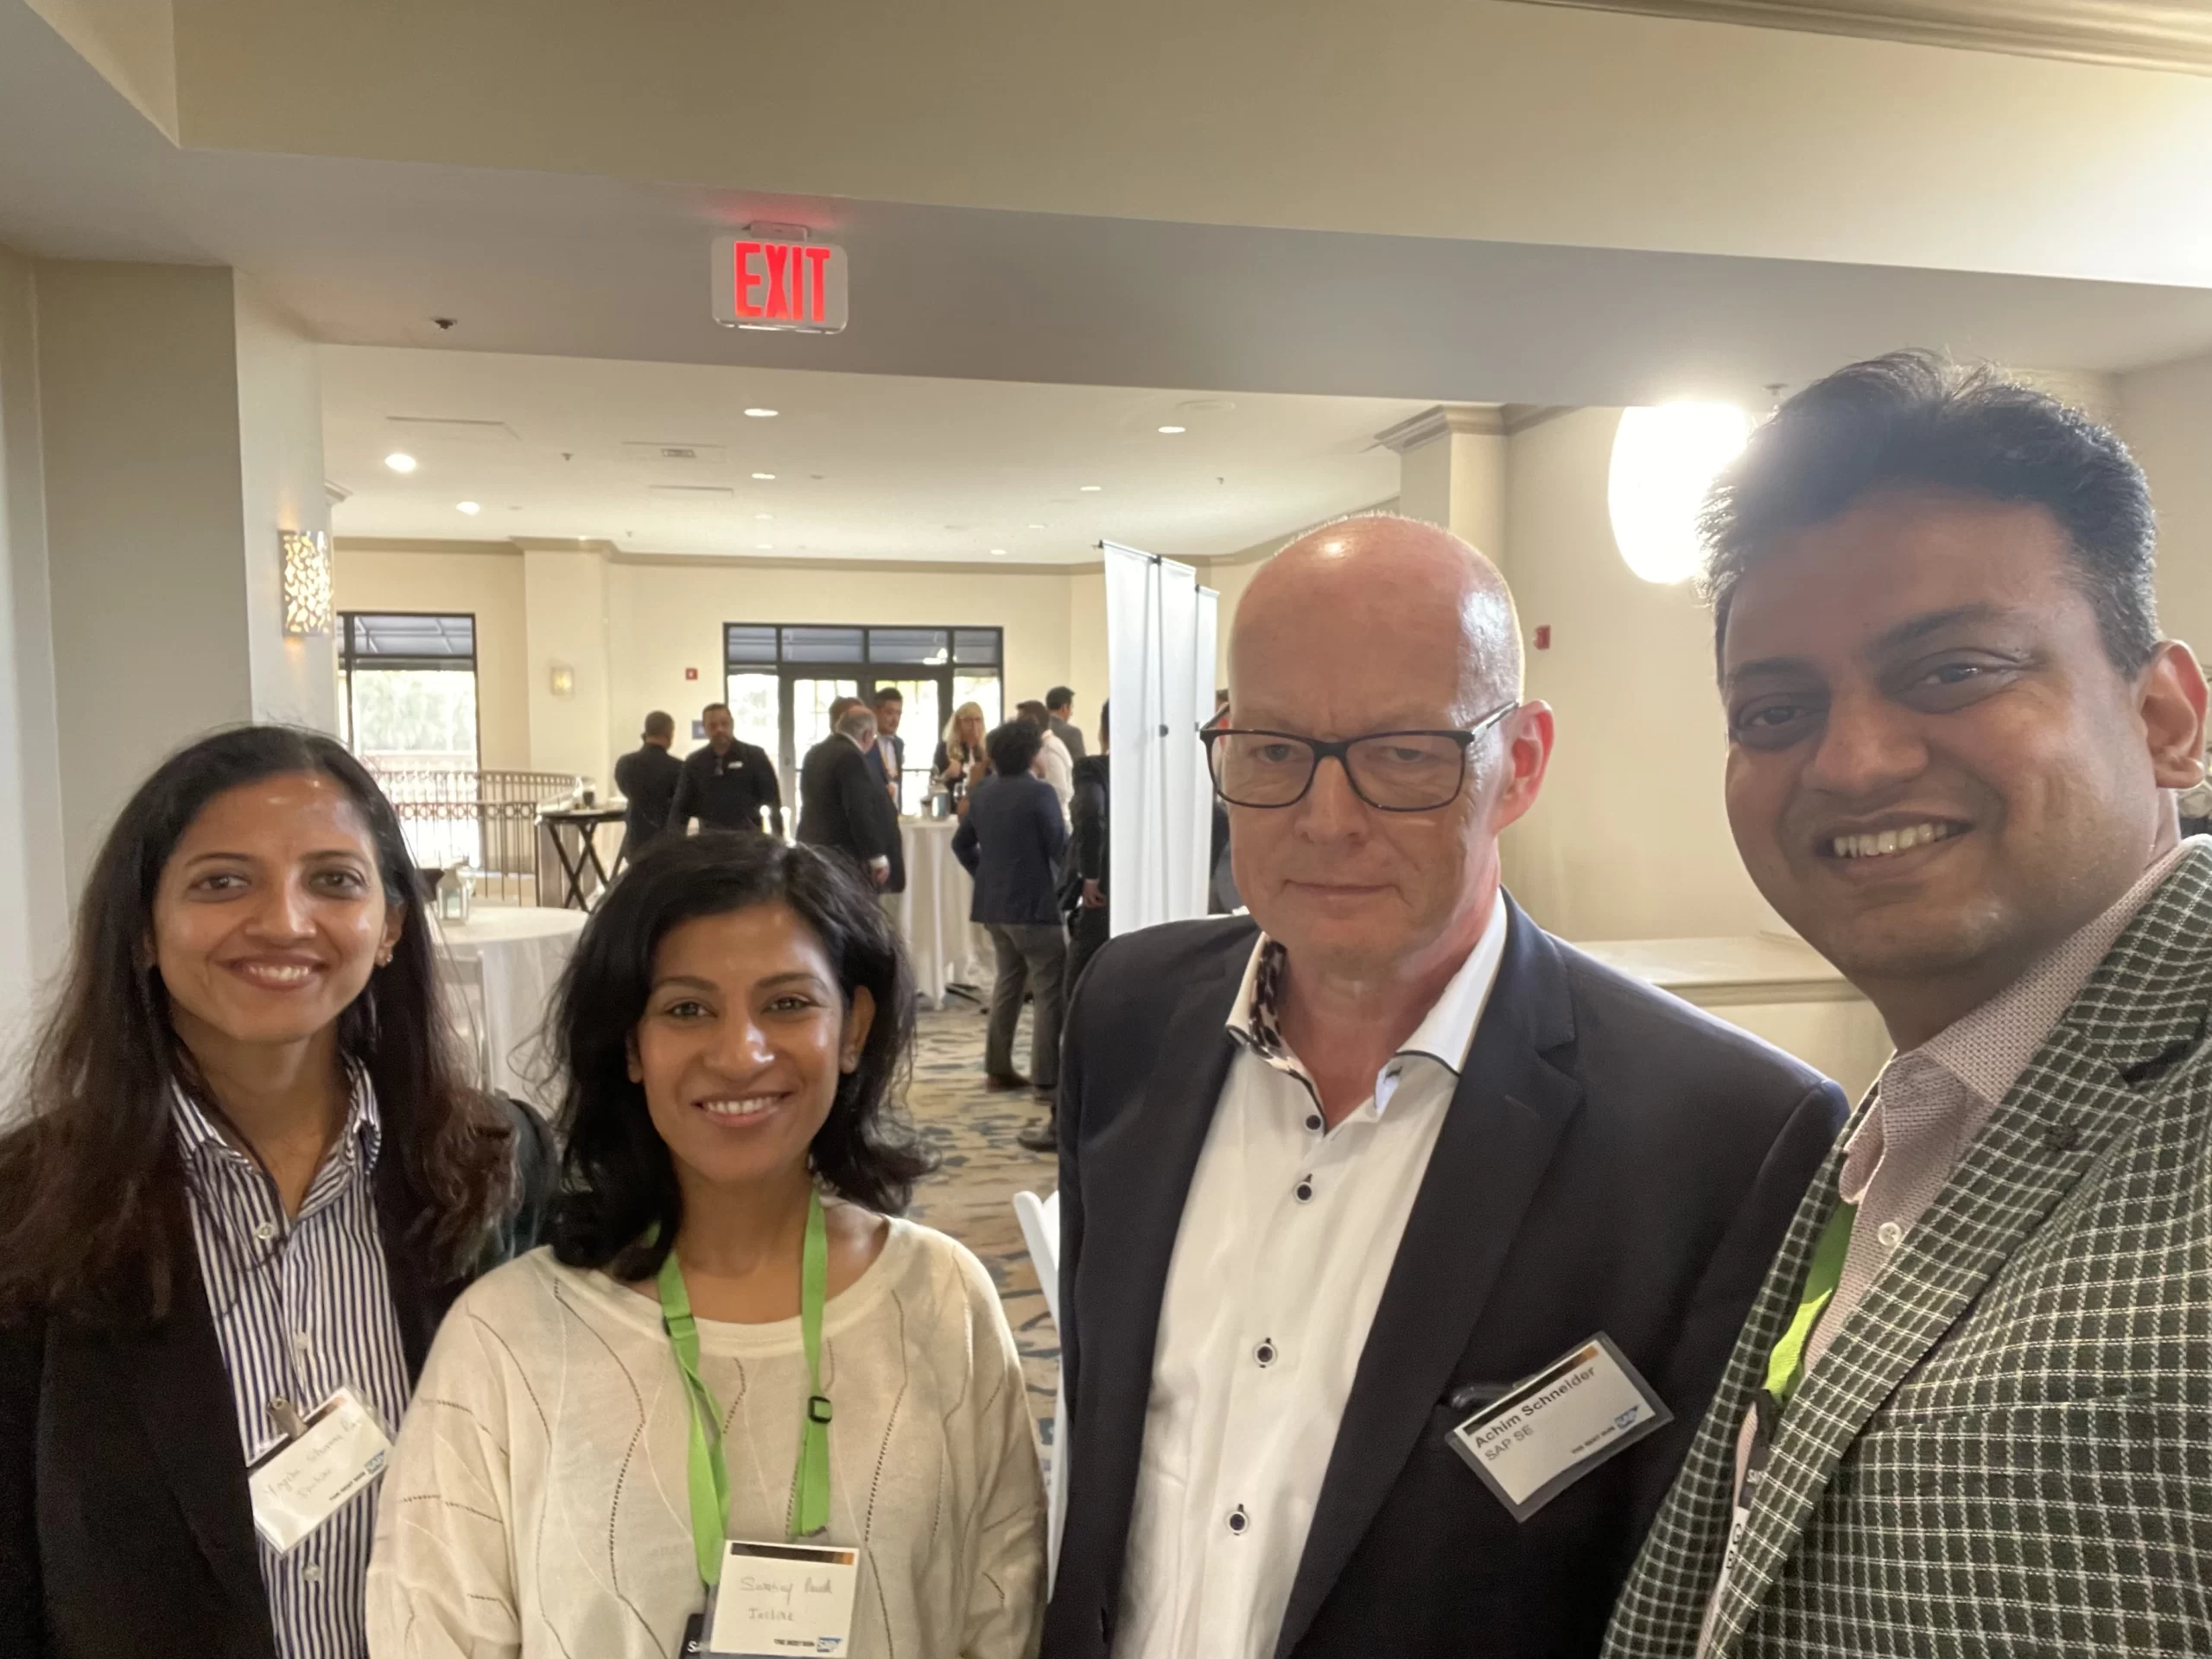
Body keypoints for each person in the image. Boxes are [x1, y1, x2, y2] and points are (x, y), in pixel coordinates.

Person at [1043, 518, 1847, 1659]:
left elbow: (1680, 1593)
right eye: (1272, 750)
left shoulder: (1724, 1138)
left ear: (1520, 762)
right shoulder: (1130, 1012)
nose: (1327, 819)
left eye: (1404, 754)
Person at [1606, 354, 2212, 1659]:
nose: (1853, 761)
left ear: (2166, 717)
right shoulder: (1909, 1111)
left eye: (1952, 672)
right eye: (1777, 710)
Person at [366, 834, 1044, 1658]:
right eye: (687, 1010)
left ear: (854, 1028)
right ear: (631, 1044)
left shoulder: (941, 1300)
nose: (740, 1054)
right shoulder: (508, 1336)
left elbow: (1000, 1618)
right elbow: (434, 1632)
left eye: (787, 1004)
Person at [0, 725, 553, 1659]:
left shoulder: (499, 1164)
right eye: (223, 882)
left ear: (390, 927)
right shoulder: (29, 1205)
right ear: (142, 928)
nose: (286, 922)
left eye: (333, 880)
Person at [952, 721, 1069, 1126]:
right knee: (1050, 991)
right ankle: (1047, 1079)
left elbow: (960, 844)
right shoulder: (1040, 794)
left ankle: (998, 1068)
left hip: (994, 905)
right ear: (1032, 754)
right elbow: (1060, 848)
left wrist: (985, 873)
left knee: (1008, 983)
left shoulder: (983, 791)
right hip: (1035, 905)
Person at [798, 702, 905, 899]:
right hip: (845, 856)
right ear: (867, 735)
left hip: (815, 849)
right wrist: (876, 857)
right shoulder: (851, 757)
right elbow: (858, 810)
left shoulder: (815, 752)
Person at [671, 701, 783, 838]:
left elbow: (772, 801)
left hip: (749, 841)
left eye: (724, 724)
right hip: (710, 841)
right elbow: (680, 809)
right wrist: (675, 844)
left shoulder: (754, 757)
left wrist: (779, 840)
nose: (720, 729)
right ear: (704, 728)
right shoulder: (694, 762)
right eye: (713, 726)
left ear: (732, 724)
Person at [1065, 698, 1111, 994]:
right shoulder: (1164, 773)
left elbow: (1091, 812)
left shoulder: (1092, 769)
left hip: (1104, 886)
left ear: (1104, 731)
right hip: (1153, 890)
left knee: (1079, 980)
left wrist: (1090, 875)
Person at [614, 709, 683, 853]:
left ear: (646, 732)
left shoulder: (625, 763)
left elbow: (625, 790)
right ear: (670, 734)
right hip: (668, 842)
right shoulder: (678, 767)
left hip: (635, 840)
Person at [1018, 699, 1075, 825]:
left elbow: (1059, 791)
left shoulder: (1050, 748)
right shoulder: (1043, 746)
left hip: (1055, 820)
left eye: (1020, 722)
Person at [933, 701, 990, 811]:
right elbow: (934, 786)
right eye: (968, 720)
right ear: (958, 724)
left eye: (978, 720)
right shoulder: (945, 748)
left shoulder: (985, 750)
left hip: (982, 811)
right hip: (952, 812)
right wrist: (947, 774)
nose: (974, 725)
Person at [867, 686, 908, 810]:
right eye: (889, 713)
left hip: (895, 812)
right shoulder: (865, 743)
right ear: (875, 712)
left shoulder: (899, 744)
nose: (895, 720)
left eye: (899, 713)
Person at [1046, 686, 1087, 763]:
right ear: (1064, 708)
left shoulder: (1038, 729)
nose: (1071, 713)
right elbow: (1081, 765)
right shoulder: (1073, 733)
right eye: (1071, 707)